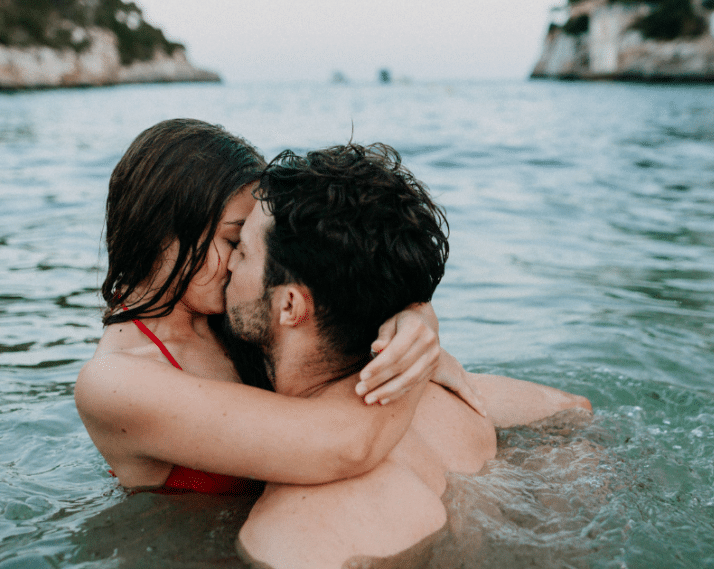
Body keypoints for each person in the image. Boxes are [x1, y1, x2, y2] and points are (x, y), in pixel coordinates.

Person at [229, 143, 592, 569]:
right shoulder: (455, 395)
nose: (226, 266)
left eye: (242, 251)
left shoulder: (290, 535)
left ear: (290, 304)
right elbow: (575, 414)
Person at [75, 119, 455, 496]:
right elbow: (345, 446)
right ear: (159, 231)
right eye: (232, 239)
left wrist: (414, 315)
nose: (242, 260)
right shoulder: (114, 382)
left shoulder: (231, 315)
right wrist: (410, 373)